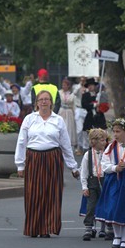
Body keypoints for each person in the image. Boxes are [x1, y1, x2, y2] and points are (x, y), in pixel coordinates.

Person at [14, 90, 80, 238]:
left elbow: (66, 144)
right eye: (41, 99)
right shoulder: (29, 119)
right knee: (33, 193)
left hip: (52, 158)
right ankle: (33, 227)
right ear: (36, 103)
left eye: (47, 99)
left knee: (51, 193)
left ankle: (47, 227)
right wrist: (20, 164)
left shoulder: (58, 120)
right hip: (34, 158)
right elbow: (21, 142)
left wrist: (73, 166)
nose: (44, 102)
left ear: (51, 102)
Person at [95, 118, 125, 248]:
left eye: (118, 131)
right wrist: (115, 168)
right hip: (114, 180)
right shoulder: (111, 147)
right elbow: (104, 164)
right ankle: (117, 235)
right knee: (113, 206)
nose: (115, 134)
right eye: (114, 131)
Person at [79, 128, 109, 241]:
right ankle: (89, 227)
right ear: (93, 141)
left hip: (104, 180)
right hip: (92, 182)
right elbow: (84, 171)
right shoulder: (88, 155)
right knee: (91, 206)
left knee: (105, 205)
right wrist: (84, 186)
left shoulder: (107, 152)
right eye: (102, 140)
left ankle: (105, 228)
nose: (104, 142)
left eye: (105, 140)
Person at [58, 78, 77, 153]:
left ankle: (69, 146)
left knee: (69, 128)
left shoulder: (72, 94)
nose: (63, 86)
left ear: (68, 86)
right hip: (62, 111)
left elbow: (74, 104)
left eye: (65, 85)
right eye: (63, 85)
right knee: (62, 127)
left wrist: (75, 113)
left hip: (69, 112)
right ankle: (60, 144)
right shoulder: (59, 92)